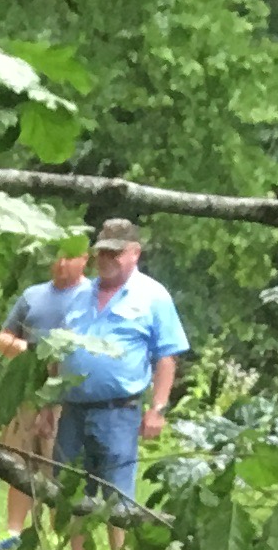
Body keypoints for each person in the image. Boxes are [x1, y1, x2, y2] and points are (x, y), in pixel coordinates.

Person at [33, 218, 187, 509]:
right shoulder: (79, 295)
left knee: (117, 500)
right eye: (102, 252)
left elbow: (167, 357)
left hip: (118, 413)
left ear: (134, 253)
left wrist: (158, 409)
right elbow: (59, 352)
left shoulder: (153, 296)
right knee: (69, 495)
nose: (106, 260)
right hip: (73, 411)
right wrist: (47, 405)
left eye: (114, 253)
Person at [0, 242, 86, 540]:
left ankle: (60, 535)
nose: (62, 263)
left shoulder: (91, 297)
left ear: (85, 259)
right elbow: (4, 337)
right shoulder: (32, 296)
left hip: (66, 399)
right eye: (58, 256)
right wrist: (26, 351)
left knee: (58, 469)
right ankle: (14, 531)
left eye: (70, 257)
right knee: (19, 463)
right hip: (28, 396)